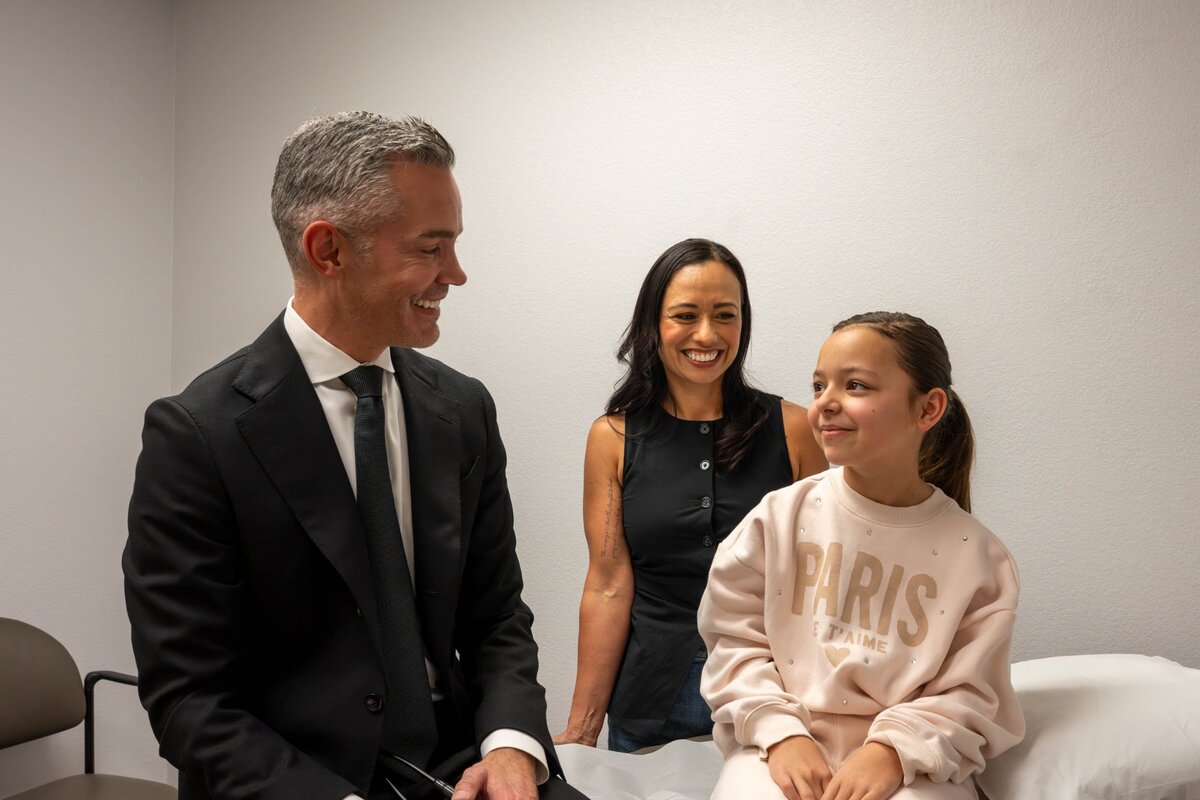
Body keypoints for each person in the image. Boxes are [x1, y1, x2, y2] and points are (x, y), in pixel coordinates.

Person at [123, 112, 586, 800]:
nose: (455, 274)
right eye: (431, 248)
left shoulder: (462, 410)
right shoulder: (198, 435)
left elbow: (497, 619)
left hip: (466, 766)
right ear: (329, 251)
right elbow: (190, 698)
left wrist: (514, 746)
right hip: (295, 781)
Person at [698, 311, 1025, 800]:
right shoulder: (777, 518)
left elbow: (971, 694)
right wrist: (782, 732)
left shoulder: (978, 558)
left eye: (855, 385)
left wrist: (892, 753)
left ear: (928, 408)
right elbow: (734, 643)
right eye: (818, 385)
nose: (825, 403)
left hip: (912, 760)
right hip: (780, 746)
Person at [555, 239, 827, 753]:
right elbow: (609, 585)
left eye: (725, 315)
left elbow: (820, 578)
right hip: (650, 698)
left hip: (774, 701)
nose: (707, 334)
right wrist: (582, 728)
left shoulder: (795, 430)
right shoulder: (613, 438)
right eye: (685, 315)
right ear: (652, 324)